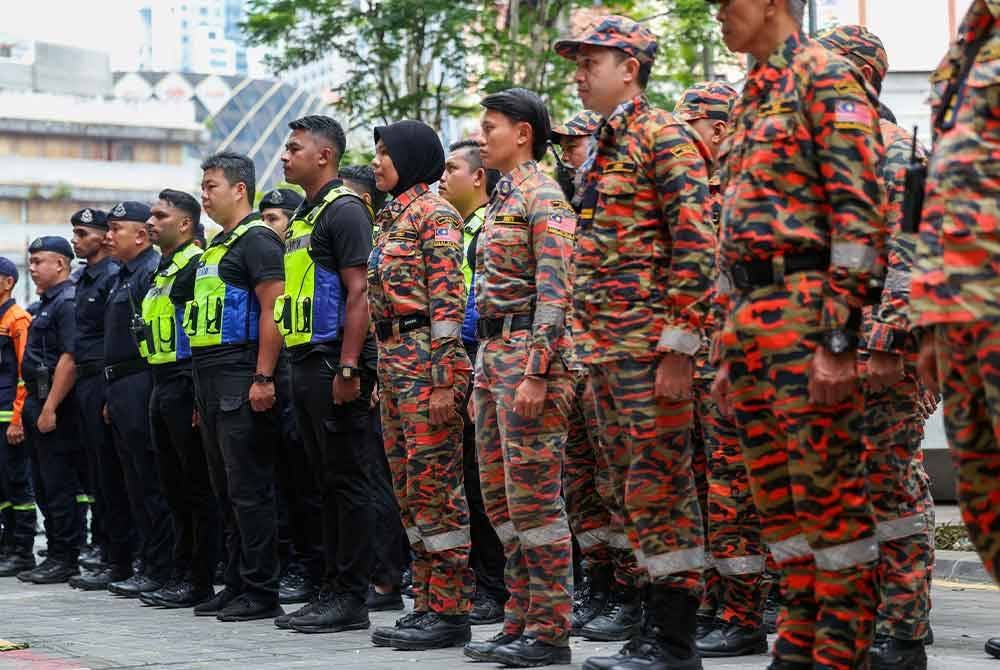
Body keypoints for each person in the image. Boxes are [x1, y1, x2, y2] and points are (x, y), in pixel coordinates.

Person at [708, 1, 889, 668]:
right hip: (754, 319)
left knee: (829, 499)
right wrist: (728, 349)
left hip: (808, 312)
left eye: (729, 2)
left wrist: (840, 340)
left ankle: (843, 652)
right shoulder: (755, 91)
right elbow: (738, 236)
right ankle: (800, 639)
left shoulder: (825, 77)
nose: (719, 13)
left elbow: (859, 214)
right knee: (776, 501)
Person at [555, 16, 717, 670]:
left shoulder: (664, 137)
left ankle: (674, 642)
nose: (579, 71)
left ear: (631, 67)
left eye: (591, 60)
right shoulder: (601, 145)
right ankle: (652, 626)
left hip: (652, 354)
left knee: (662, 489)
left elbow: (698, 245)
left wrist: (679, 349)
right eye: (577, 60)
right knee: (633, 492)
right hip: (607, 354)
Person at [817, 25, 937, 670]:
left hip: (882, 354)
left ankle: (904, 631)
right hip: (826, 353)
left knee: (891, 492)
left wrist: (889, 341)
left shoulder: (896, 154)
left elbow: (910, 254)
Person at [463, 88, 577, 668]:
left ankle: (552, 631)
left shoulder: (543, 195)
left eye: (490, 127)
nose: (481, 137)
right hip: (493, 359)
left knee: (535, 503)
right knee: (502, 504)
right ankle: (519, 620)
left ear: (523, 132)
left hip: (530, 360)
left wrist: (537, 372)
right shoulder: (502, 195)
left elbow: (556, 292)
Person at [909, 0, 1000, 661]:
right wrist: (930, 317)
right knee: (982, 484)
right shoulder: (968, 46)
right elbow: (939, 191)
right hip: (965, 302)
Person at [367, 119, 474, 651]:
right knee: (409, 489)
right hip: (393, 363)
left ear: (410, 157)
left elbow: (448, 304)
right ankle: (426, 601)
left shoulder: (436, 215)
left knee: (437, 486)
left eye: (385, 153)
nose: (376, 162)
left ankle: (452, 608)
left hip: (425, 361)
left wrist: (440, 379)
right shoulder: (390, 218)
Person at [674, 80, 770, 659]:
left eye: (692, 127)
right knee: (709, 491)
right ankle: (715, 602)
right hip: (698, 367)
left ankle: (744, 613)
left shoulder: (740, 191)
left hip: (735, 366)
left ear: (717, 129)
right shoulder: (692, 192)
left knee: (737, 491)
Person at [273, 115, 379, 635]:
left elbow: (360, 293)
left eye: (294, 148)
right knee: (321, 481)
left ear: (324, 156)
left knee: (345, 481)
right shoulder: (304, 217)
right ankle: (330, 587)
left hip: (333, 361)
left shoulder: (345, 211)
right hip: (302, 361)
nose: (284, 156)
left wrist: (349, 365)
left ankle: (350, 595)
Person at [548, 109, 641, 641]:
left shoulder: (617, 203)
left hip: (608, 362)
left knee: (617, 483)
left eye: (576, 143)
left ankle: (631, 594)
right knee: (582, 485)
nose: (569, 154)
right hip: (571, 360)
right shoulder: (567, 207)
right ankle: (600, 586)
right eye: (563, 145)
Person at [186, 151, 285, 622]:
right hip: (208, 375)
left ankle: (262, 589)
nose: (205, 195)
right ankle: (237, 582)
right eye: (203, 187)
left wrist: (263, 376)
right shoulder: (217, 246)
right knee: (223, 487)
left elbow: (273, 310)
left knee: (249, 487)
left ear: (239, 189)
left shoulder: (258, 241)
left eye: (211, 186)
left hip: (240, 369)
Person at [135, 190, 219, 608]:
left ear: (185, 224)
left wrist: (195, 395)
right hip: (161, 380)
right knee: (172, 487)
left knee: (194, 488)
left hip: (186, 382)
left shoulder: (195, 265)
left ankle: (199, 578)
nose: (151, 222)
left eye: (159, 215)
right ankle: (179, 571)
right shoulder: (162, 270)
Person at [439, 138, 508, 626]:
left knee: (486, 479)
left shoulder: (492, 225)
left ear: (478, 177)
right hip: (459, 356)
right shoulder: (456, 227)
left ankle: (497, 584)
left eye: (452, 168)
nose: (443, 178)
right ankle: (482, 580)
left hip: (483, 351)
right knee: (464, 476)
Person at [101, 202, 174, 599]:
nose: (108, 236)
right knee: (132, 482)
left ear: (141, 236)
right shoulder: (122, 275)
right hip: (120, 386)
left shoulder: (149, 272)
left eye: (116, 229)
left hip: (141, 379)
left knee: (151, 480)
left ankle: (160, 566)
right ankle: (148, 562)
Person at [257, 186, 323, 607]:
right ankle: (294, 563)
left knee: (308, 481)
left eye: (274, 219)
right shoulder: (263, 264)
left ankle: (312, 567)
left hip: (299, 373)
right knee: (281, 482)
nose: (268, 227)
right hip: (276, 382)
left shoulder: (303, 261)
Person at [67, 208, 133, 591]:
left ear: (104, 238)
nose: (77, 239)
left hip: (107, 378)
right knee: (98, 474)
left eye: (83, 233)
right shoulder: (86, 278)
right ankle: (108, 551)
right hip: (89, 381)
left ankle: (120, 556)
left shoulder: (112, 277)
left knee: (114, 474)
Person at [18, 236, 82, 584]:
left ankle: (65, 557)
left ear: (60, 264)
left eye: (39, 261)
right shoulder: (45, 303)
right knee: (42, 484)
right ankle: (55, 553)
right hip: (36, 400)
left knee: (58, 485)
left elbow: (69, 359)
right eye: (30, 261)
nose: (32, 268)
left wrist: (51, 407)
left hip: (54, 405)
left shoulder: (67, 302)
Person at [0, 258, 36, 577]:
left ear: (8, 281)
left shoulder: (17, 318)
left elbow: (26, 371)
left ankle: (23, 550)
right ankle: (6, 545)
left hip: (8, 415)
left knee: (16, 483)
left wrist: (17, 417)